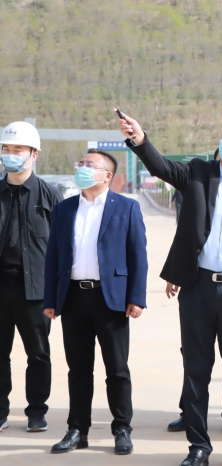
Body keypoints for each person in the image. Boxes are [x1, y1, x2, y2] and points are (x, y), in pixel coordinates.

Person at [117, 111, 222, 466]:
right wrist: (140, 139)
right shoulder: (198, 173)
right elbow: (161, 166)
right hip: (198, 288)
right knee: (196, 370)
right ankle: (198, 447)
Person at [43, 149, 147, 455]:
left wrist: (136, 297)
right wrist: (51, 298)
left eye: (90, 165)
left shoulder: (126, 207)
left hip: (111, 300)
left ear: (107, 176)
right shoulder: (65, 209)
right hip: (74, 297)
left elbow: (138, 256)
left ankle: (122, 429)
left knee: (117, 369)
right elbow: (53, 257)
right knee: (78, 369)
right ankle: (77, 430)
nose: (83, 168)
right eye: (82, 163)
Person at [0, 122, 63, 434]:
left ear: (33, 154)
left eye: (18, 149)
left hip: (35, 290)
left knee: (38, 354)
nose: (10, 154)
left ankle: (37, 411)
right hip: (1, 288)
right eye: (6, 149)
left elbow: (65, 245)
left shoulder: (50, 195)